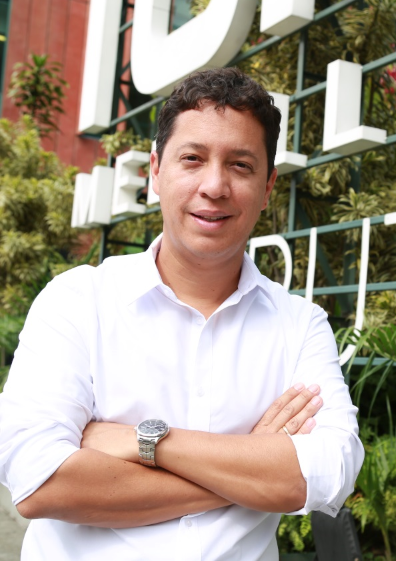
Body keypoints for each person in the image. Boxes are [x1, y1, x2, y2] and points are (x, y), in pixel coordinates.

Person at [0, 67, 363, 560]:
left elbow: (329, 473)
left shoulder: (299, 325)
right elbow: (39, 482)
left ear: (268, 186)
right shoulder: (77, 301)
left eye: (240, 165)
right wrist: (248, 465)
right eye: (192, 159)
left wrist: (147, 442)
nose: (214, 185)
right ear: (156, 170)